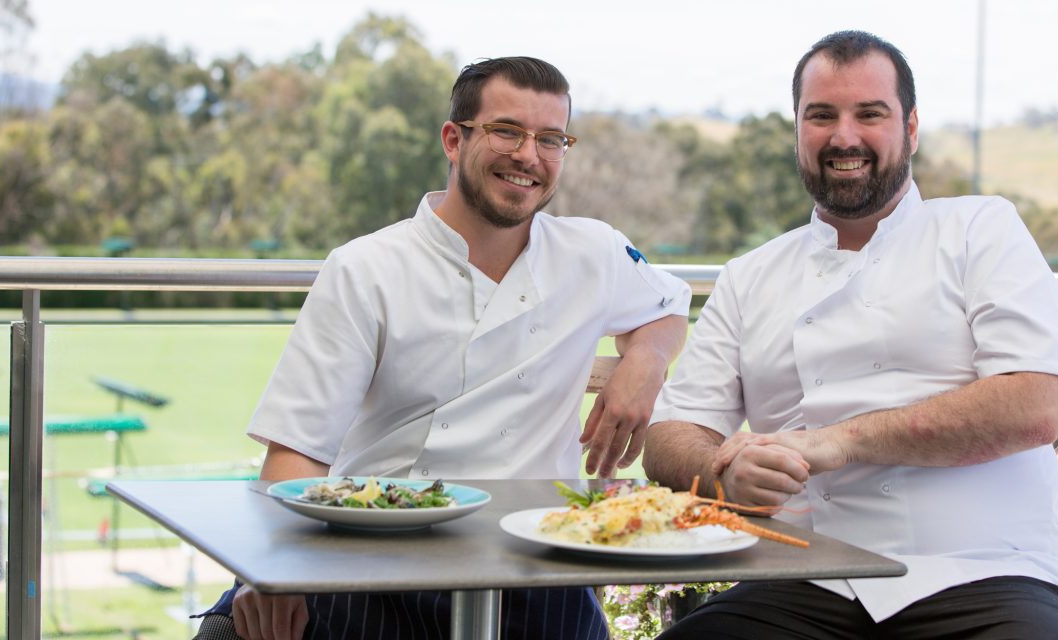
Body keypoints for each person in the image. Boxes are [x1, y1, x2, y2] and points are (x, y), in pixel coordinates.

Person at [195, 56, 691, 640]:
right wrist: (273, 570)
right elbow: (298, 451)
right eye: (507, 131)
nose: (529, 156)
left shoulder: (594, 252)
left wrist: (646, 360)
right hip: (374, 551)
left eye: (551, 139)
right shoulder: (367, 269)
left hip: (536, 559)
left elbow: (666, 309)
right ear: (454, 140)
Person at [644, 31, 1058, 639]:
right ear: (797, 131)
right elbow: (669, 437)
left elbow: (1033, 405)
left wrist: (834, 444)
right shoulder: (750, 276)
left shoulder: (981, 229)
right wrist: (721, 476)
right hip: (802, 575)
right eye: (820, 115)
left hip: (985, 574)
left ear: (910, 127)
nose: (843, 137)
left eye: (869, 114)